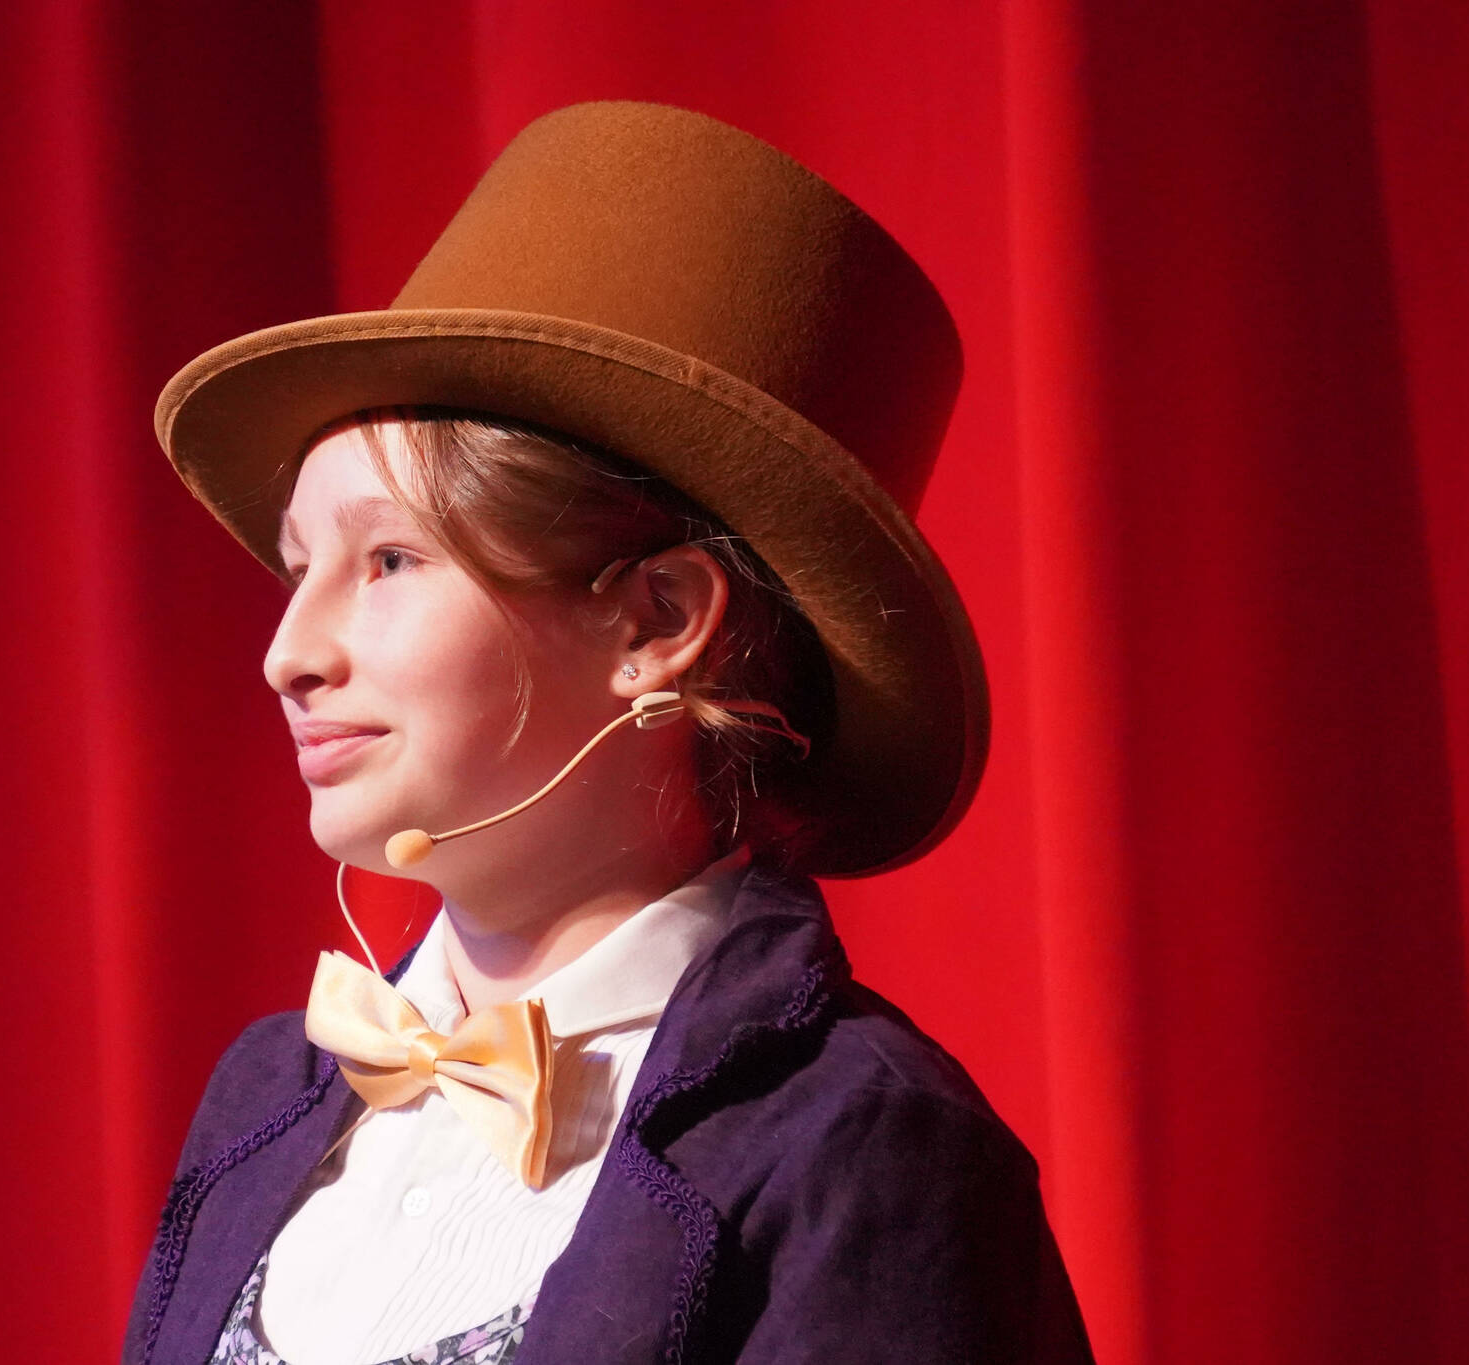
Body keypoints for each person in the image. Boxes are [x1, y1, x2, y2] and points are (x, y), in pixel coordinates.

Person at [125, 101, 1094, 1365]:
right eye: (299, 568)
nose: (287, 654)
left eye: (391, 559)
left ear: (657, 617)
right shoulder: (270, 1097)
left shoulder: (861, 1144)